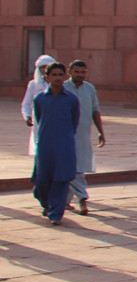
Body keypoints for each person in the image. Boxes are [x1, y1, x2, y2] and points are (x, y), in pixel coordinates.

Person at [31, 62, 79, 225]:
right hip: (45, 144)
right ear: (46, 77)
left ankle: (56, 213)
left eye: (60, 75)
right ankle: (47, 203)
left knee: (61, 179)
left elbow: (74, 121)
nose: (58, 78)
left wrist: (65, 137)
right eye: (54, 75)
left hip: (64, 145)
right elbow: (39, 118)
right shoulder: (40, 99)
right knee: (42, 180)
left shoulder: (72, 99)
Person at [62, 60, 104, 214]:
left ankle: (65, 202)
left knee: (78, 167)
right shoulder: (63, 88)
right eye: (76, 72)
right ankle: (82, 198)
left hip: (84, 134)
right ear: (69, 72)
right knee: (73, 168)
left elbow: (95, 110)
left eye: (82, 72)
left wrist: (101, 131)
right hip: (65, 134)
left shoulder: (90, 88)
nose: (79, 75)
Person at [22, 54, 57, 156]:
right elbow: (26, 102)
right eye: (42, 67)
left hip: (55, 117)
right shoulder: (33, 84)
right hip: (39, 118)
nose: (45, 69)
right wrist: (27, 116)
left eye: (47, 66)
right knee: (39, 143)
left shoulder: (59, 85)